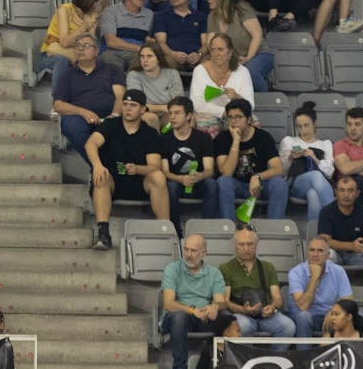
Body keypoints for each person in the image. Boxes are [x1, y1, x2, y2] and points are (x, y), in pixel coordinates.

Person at [87, 89, 169, 251]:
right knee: (101, 176)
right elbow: (91, 144)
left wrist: (138, 169)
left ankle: (164, 230)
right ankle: (103, 233)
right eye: (125, 105)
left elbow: (155, 166)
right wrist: (97, 165)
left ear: (143, 110)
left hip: (139, 181)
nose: (128, 109)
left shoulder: (149, 133)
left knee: (158, 176)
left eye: (133, 105)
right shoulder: (110, 125)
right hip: (113, 181)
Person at [160, 234, 233, 369]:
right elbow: (168, 303)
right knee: (179, 317)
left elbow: (222, 301)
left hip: (203, 317)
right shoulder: (173, 269)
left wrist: (215, 306)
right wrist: (192, 311)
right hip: (177, 315)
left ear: (204, 253)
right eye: (186, 250)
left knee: (225, 318)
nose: (188, 255)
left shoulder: (214, 273)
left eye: (193, 251)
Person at [161, 97, 230, 231]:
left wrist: (199, 176)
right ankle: (175, 230)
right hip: (176, 181)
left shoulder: (203, 138)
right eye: (170, 113)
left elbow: (210, 170)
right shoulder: (164, 139)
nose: (172, 117)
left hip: (198, 181)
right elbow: (165, 171)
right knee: (170, 186)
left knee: (211, 183)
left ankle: (205, 229)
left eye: (177, 113)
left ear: (188, 116)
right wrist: (180, 178)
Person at [218, 225, 296, 341]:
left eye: (250, 244)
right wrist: (242, 310)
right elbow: (225, 301)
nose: (246, 248)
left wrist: (272, 307)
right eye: (241, 244)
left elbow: (278, 299)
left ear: (256, 245)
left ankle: (274, 358)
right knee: (242, 326)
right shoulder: (225, 268)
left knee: (288, 326)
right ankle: (247, 358)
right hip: (241, 315)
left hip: (266, 315)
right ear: (235, 245)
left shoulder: (268, 267)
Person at [215, 98, 288, 220]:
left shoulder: (263, 137)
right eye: (230, 117)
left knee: (279, 183)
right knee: (223, 182)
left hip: (260, 185)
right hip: (236, 184)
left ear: (249, 119)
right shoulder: (222, 138)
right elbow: (226, 173)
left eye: (238, 117)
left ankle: (275, 229)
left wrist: (258, 177)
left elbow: (278, 169)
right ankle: (229, 228)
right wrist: (236, 141)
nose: (233, 121)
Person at [51, 35, 123, 156]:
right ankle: (98, 164)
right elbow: (58, 105)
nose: (80, 49)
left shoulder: (111, 70)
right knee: (71, 125)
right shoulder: (67, 75)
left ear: (96, 51)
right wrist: (83, 112)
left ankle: (102, 167)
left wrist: (115, 115)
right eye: (77, 46)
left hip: (109, 115)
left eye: (86, 46)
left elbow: (120, 96)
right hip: (80, 118)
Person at [206, 0, 272, 92]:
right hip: (233, 58)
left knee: (250, 71)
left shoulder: (242, 9)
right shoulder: (213, 16)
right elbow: (211, 43)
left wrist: (248, 57)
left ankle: (264, 99)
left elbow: (257, 35)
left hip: (258, 54)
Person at [37, 0, 105, 86]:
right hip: (52, 54)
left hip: (77, 52)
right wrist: (84, 27)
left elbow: (91, 43)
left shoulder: (92, 14)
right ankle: (58, 99)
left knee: (98, 61)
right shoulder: (64, 10)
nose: (98, 5)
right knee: (62, 61)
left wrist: (92, 27)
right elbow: (64, 42)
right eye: (96, 2)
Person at [282, 102, 338, 223]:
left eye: (306, 125)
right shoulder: (289, 141)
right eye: (299, 126)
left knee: (313, 194)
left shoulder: (325, 144)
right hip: (296, 185)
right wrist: (290, 158)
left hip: (320, 184)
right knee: (315, 175)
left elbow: (330, 173)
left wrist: (314, 157)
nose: (303, 130)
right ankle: (338, 218)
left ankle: (315, 237)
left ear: (315, 123)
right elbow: (282, 172)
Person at [288, 238, 353, 339]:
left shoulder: (338, 271)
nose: (315, 254)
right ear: (307, 253)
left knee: (354, 316)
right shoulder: (295, 272)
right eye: (312, 250)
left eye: (320, 251)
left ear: (328, 255)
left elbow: (348, 300)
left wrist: (332, 312)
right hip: (303, 317)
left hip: (329, 316)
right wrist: (314, 277)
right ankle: (304, 354)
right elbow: (303, 307)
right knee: (304, 317)